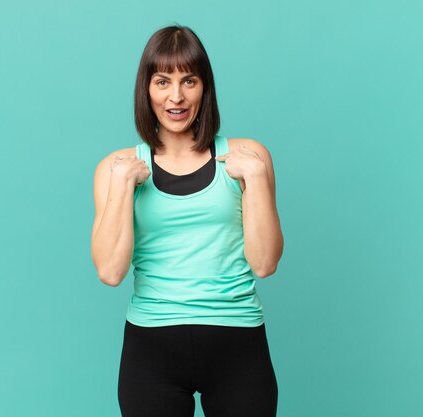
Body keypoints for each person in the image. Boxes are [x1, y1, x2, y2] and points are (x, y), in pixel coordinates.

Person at [91, 24, 284, 417]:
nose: (175, 97)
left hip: (238, 345)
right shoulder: (116, 167)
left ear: (204, 88)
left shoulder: (248, 157)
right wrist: (123, 186)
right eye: (162, 81)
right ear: (146, 89)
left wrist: (259, 178)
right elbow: (111, 272)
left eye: (188, 81)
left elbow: (265, 264)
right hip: (151, 350)